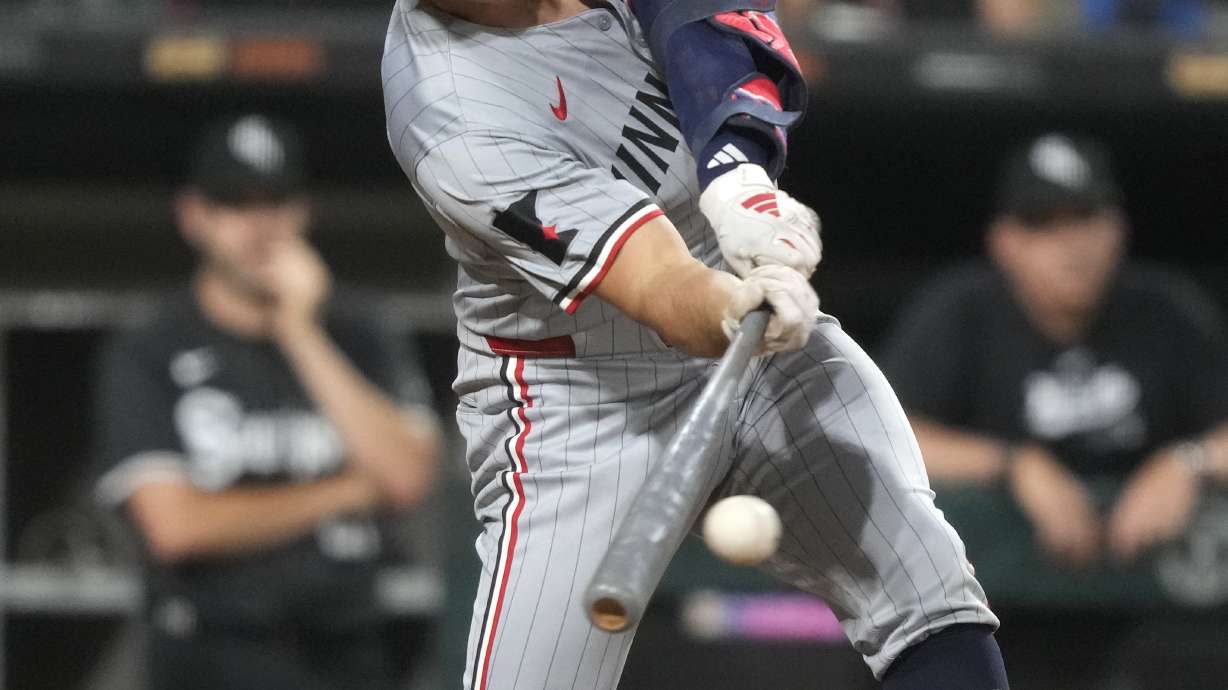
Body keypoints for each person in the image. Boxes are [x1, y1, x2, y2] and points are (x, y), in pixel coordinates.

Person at [381, 1, 1010, 689]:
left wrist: (738, 171)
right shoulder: (452, 118)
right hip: (578, 399)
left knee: (929, 588)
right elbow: (658, 283)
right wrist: (732, 302)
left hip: (755, 350)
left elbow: (708, 27)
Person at [93, 113, 441, 690]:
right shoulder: (153, 345)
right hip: (208, 651)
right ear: (195, 215)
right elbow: (174, 526)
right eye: (234, 204)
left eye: (274, 202)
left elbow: (406, 478)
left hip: (345, 653)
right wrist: (348, 489)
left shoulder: (358, 331)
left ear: (302, 211)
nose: (259, 227)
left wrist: (301, 332)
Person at [880, 133, 1228, 571]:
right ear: (1004, 242)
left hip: (1152, 597)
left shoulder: (1165, 312)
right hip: (995, 601)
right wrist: (1014, 465)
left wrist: (1189, 462)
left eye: (1085, 218)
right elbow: (883, 438)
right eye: (1042, 223)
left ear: (1117, 230)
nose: (1070, 244)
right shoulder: (960, 312)